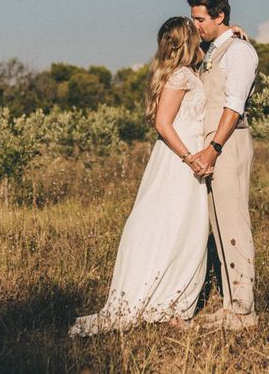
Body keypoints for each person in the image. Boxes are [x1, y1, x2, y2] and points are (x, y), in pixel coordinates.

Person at [69, 17, 215, 336]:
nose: (200, 35)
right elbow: (163, 123)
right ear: (187, 41)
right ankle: (165, 303)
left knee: (184, 228)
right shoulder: (180, 76)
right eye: (195, 32)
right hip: (180, 159)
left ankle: (171, 304)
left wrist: (234, 32)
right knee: (174, 227)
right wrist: (190, 157)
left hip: (183, 159)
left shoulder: (185, 72)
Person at [187, 0, 259, 331]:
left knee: (233, 221)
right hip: (212, 146)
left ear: (219, 17)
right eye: (193, 18)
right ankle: (231, 304)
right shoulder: (213, 49)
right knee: (218, 225)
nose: (195, 24)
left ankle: (244, 310)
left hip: (226, 144)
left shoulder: (240, 52)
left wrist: (213, 147)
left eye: (200, 18)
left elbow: (234, 105)